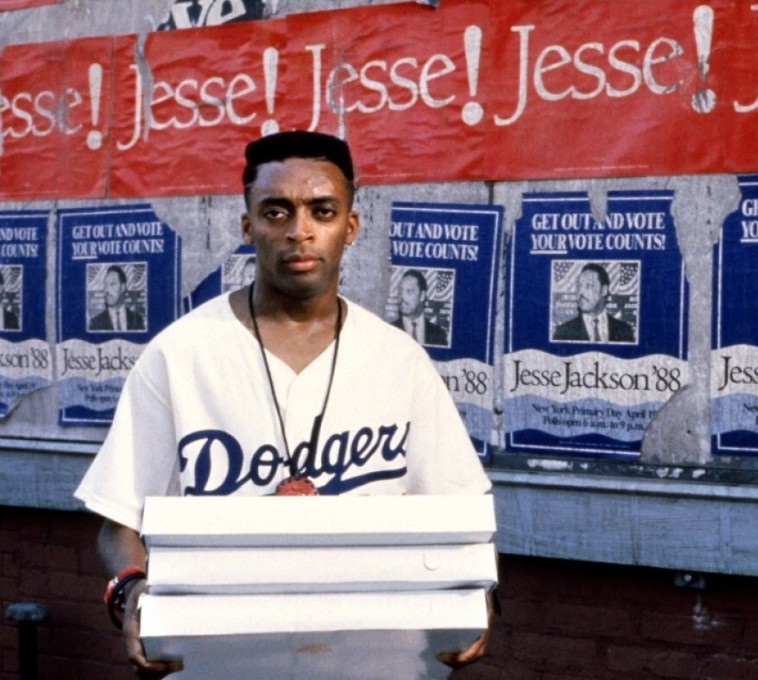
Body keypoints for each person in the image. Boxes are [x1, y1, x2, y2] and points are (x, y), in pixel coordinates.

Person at [74, 131, 493, 678]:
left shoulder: (399, 358)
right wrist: (129, 591)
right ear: (248, 225)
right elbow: (118, 519)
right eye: (276, 212)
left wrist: (478, 589)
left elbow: (462, 514)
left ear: (350, 226)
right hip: (218, 654)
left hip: (375, 652)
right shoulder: (180, 353)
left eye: (322, 210)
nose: (300, 231)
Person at [553, 262, 635, 343]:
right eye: (579, 286)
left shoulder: (625, 331)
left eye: (588, 285)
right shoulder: (563, 333)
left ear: (603, 290)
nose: (581, 292)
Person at [390, 269, 448, 346]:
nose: (402, 297)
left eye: (409, 291)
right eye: (400, 291)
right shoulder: (390, 331)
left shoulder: (439, 334)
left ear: (422, 296)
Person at [88, 265, 145, 332]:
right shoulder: (95, 323)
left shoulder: (137, 320)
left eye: (112, 284)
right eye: (105, 285)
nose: (107, 290)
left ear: (122, 287)